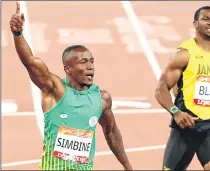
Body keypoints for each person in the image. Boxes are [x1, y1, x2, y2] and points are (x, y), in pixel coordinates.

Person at [10, 2, 133, 170]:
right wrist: (17, 33)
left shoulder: (101, 99)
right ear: (68, 69)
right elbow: (30, 61)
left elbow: (110, 132)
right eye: (83, 62)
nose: (90, 66)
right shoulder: (54, 90)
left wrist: (127, 166)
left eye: (91, 61)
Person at [155, 6, 210, 171]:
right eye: (206, 19)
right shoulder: (184, 54)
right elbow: (161, 89)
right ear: (195, 23)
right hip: (186, 124)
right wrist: (175, 112)